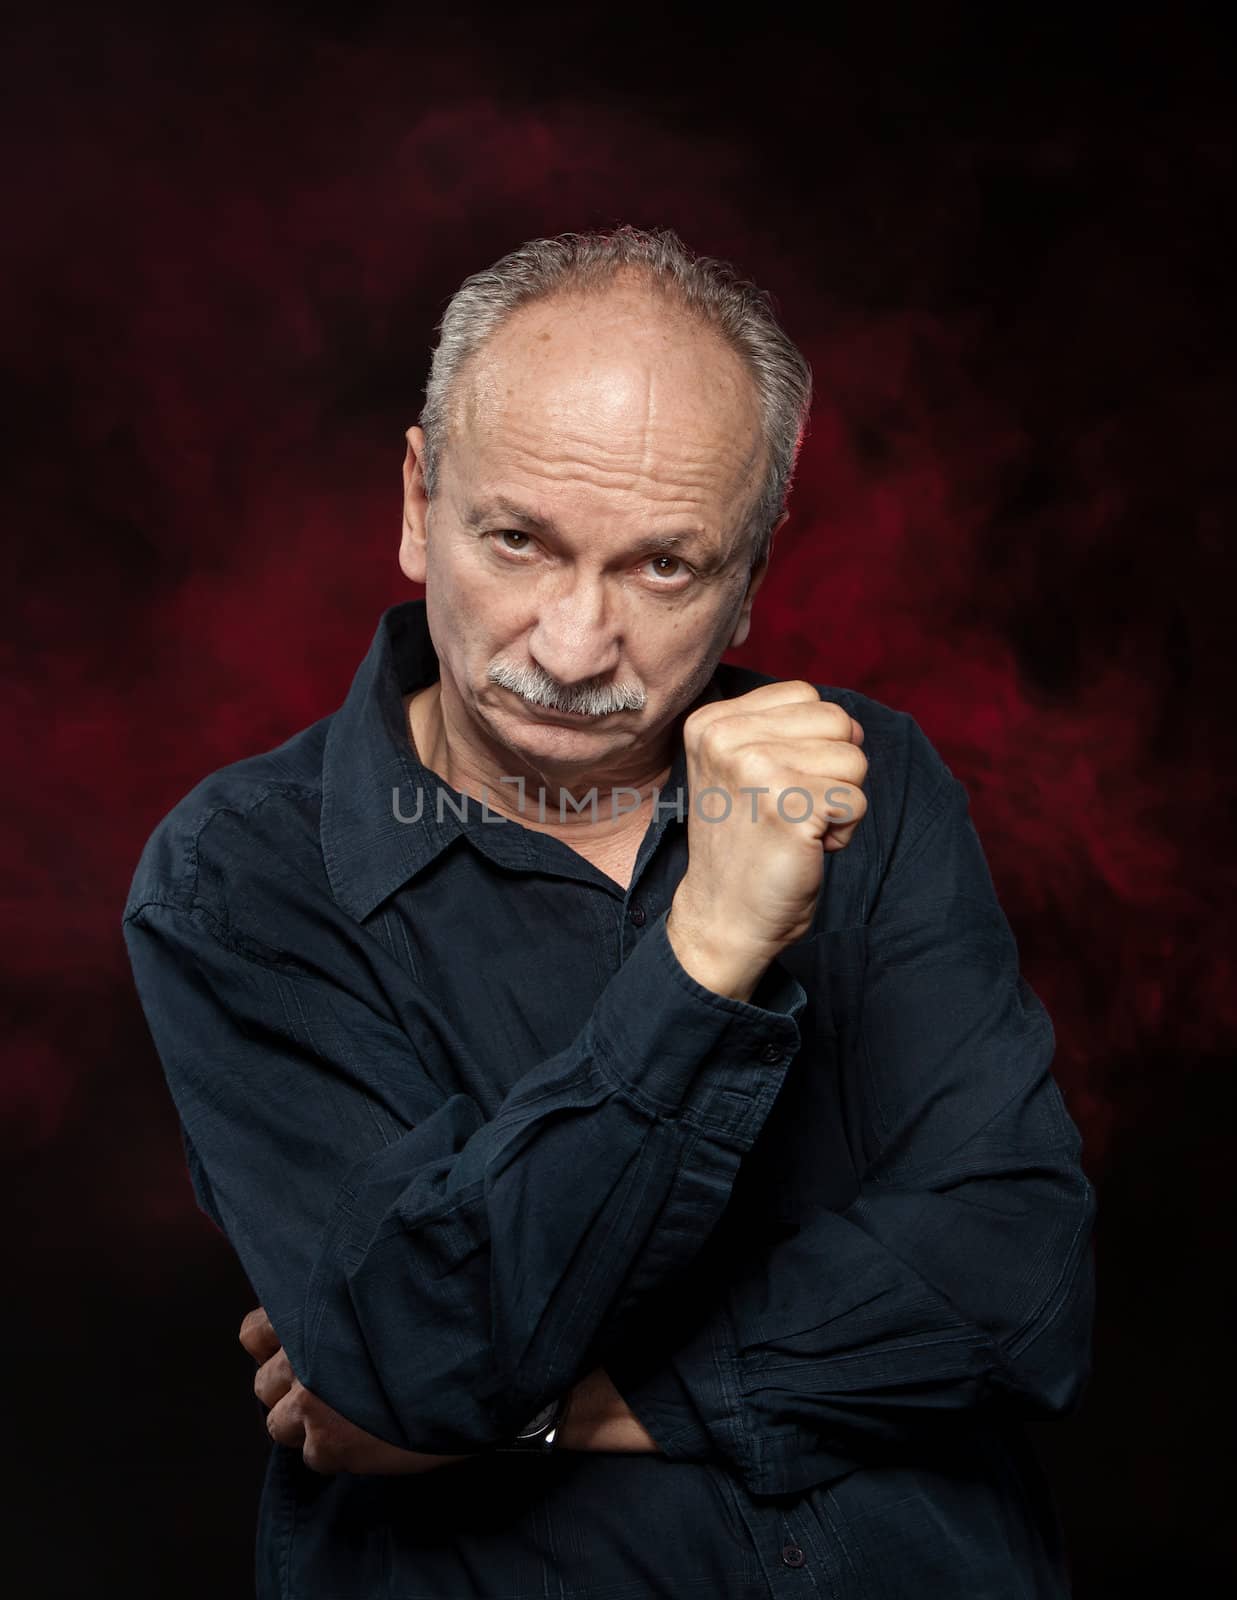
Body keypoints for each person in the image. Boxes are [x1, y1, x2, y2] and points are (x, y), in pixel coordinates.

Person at [122, 226, 1096, 1598]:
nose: (572, 649)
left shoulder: (873, 785)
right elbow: (417, 1350)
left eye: (660, 568)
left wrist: (536, 1415)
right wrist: (710, 954)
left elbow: (1016, 1283)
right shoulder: (239, 876)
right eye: (517, 541)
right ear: (415, 502)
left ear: (750, 573)